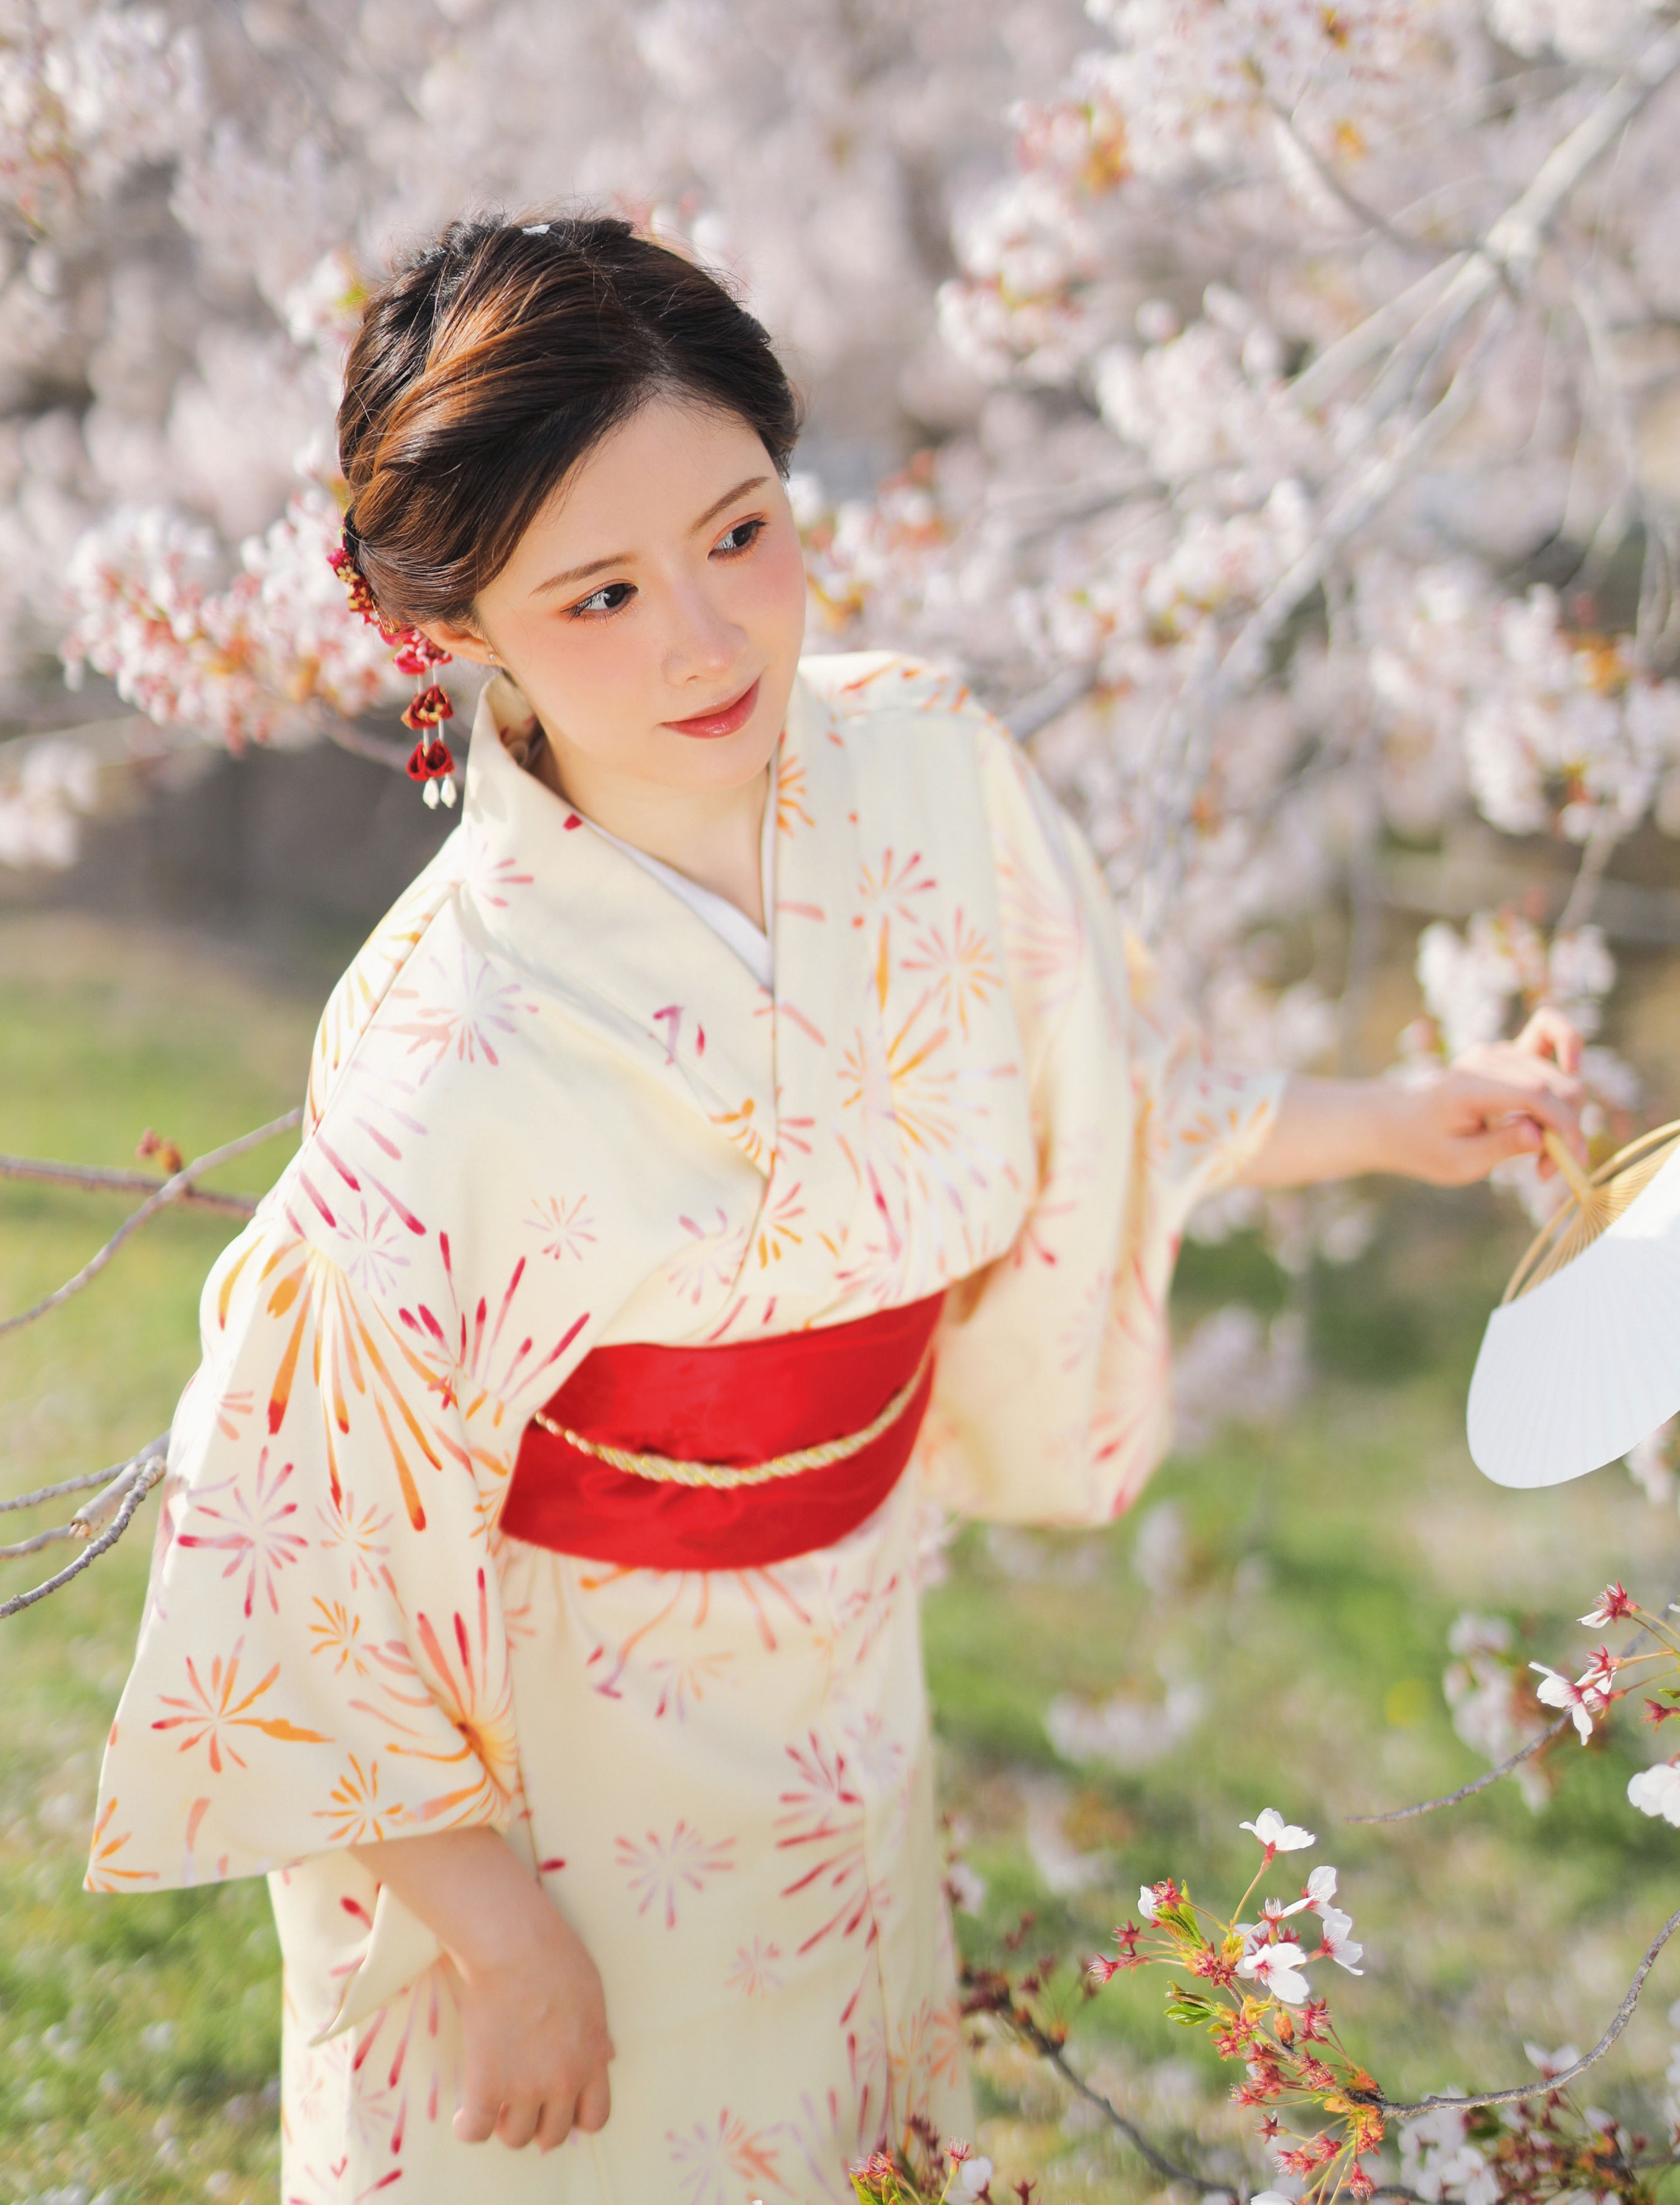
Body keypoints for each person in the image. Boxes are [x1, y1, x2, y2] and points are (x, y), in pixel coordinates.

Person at [88, 215, 1587, 2205]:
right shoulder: (450, 1031)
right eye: (601, 591)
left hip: (830, 1649)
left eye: (739, 531)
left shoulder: (927, 767)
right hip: (547, 1749)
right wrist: (492, 1923)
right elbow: (291, 1522)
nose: (706, 636)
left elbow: (1085, 1090)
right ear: (456, 632)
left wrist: (1397, 1119)